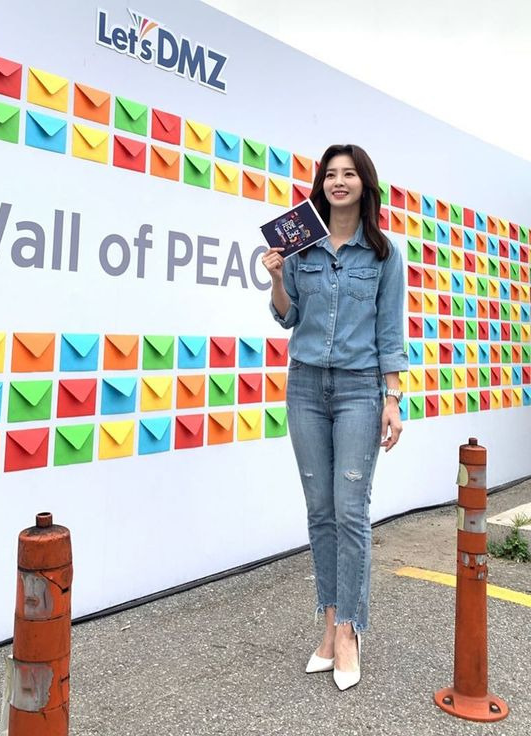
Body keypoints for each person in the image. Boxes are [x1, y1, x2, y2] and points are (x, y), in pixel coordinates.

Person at [262, 143, 408, 691]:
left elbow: (389, 332)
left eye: (349, 174)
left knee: (350, 511)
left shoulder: (384, 254)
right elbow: (288, 317)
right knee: (320, 511)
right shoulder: (301, 247)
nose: (338, 181)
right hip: (304, 386)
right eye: (330, 174)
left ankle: (349, 630)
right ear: (321, 184)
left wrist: (393, 399)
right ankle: (327, 623)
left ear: (364, 184)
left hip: (359, 391)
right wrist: (277, 277)